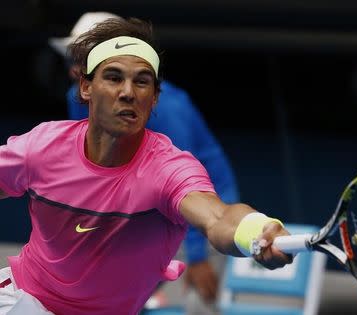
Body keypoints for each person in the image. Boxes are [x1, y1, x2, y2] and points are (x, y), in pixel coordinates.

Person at [0, 16, 292, 315]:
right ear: (85, 86)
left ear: (153, 98)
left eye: (141, 81)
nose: (127, 92)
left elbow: (216, 215)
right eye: (113, 77)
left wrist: (256, 230)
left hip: (158, 229)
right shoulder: (43, 146)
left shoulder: (169, 165)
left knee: (199, 300)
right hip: (22, 300)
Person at [49, 12, 239, 311]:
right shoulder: (78, 98)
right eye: (76, 58)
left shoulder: (168, 108)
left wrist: (199, 257)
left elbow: (189, 191)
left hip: (201, 216)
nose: (75, 68)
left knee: (199, 305)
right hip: (139, 212)